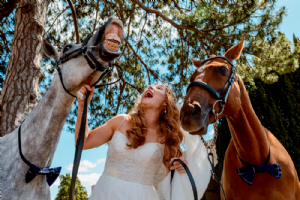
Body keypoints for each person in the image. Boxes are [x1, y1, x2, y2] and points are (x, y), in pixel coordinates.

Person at [75, 83, 189, 200]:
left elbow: (172, 180)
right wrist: (83, 105)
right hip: (104, 193)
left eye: (159, 88)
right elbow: (84, 142)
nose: (150, 87)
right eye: (150, 86)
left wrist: (180, 166)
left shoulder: (167, 137)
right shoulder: (120, 121)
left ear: (166, 103)